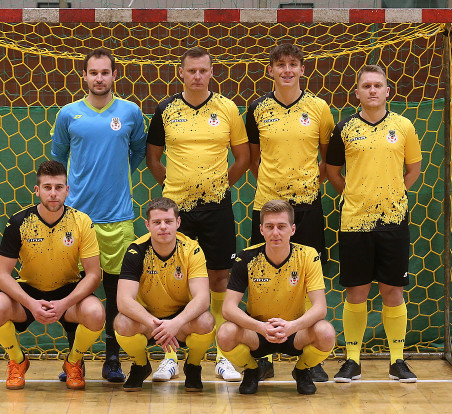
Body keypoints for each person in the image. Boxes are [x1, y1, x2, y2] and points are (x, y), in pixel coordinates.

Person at [146, 47, 250, 381]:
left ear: (211, 72)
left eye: (203, 70)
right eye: (191, 70)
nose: (197, 76)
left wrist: (218, 186)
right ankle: (170, 357)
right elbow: (153, 159)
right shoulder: (165, 109)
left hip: (216, 208)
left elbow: (243, 158)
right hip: (177, 210)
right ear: (181, 73)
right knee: (174, 280)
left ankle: (222, 356)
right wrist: (174, 188)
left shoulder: (228, 108)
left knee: (220, 278)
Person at [51, 48, 147, 382]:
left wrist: (118, 174)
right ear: (84, 76)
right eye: (93, 72)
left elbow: (138, 152)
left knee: (117, 295)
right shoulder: (68, 114)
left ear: (114, 75)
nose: (99, 78)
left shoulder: (131, 112)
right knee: (74, 294)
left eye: (105, 72)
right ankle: (74, 360)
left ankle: (112, 359)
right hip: (77, 222)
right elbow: (58, 159)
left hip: (119, 219)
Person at [326, 65, 422, 383]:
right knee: (357, 292)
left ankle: (397, 361)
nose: (372, 90)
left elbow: (413, 169)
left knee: (392, 290)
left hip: (393, 221)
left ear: (387, 91)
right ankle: (352, 361)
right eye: (366, 86)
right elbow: (333, 171)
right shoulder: (344, 128)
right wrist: (353, 195)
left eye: (377, 85)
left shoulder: (403, 126)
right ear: (357, 93)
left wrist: (394, 194)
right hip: (355, 222)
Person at [245, 43, 335, 382]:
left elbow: (327, 158)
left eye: (293, 64)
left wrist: (308, 186)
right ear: (270, 70)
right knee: (261, 281)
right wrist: (274, 191)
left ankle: (310, 358)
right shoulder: (256, 108)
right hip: (267, 206)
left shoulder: (319, 108)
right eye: (280, 64)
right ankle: (262, 356)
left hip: (307, 206)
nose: (287, 70)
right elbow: (253, 158)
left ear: (302, 69)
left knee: (309, 280)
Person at [0, 160, 105, 390]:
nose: (53, 193)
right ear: (37, 190)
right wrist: (30, 303)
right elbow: (1, 275)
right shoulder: (19, 222)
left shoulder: (81, 221)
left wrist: (64, 303)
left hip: (68, 292)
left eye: (58, 187)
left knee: (96, 313)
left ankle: (73, 362)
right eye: (47, 187)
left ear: (67, 190)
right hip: (29, 292)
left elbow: (93, 275)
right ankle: (17, 360)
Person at [217, 200, 335, 395]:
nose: (275, 233)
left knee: (326, 332)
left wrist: (292, 327)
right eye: (269, 227)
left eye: (281, 226)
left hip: (295, 331)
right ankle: (252, 370)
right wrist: (261, 328)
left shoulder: (308, 255)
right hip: (258, 332)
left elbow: (320, 307)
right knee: (225, 333)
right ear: (261, 230)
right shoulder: (246, 257)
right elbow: (228, 308)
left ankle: (302, 370)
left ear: (292, 229)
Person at [114, 197, 216, 392]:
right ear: (147, 225)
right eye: (157, 222)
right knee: (122, 322)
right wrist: (158, 326)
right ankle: (141, 365)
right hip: (147, 319)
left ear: (178, 222)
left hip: (181, 320)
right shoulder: (136, 250)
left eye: (168, 221)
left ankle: (193, 366)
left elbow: (203, 298)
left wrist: (175, 323)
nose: (163, 227)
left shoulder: (192, 249)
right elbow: (123, 301)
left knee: (206, 321)